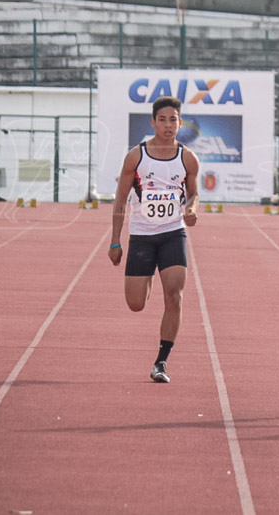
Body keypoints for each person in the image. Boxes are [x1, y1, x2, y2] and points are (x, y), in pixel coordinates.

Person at [109, 96, 199, 383]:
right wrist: (115, 241)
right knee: (136, 303)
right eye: (162, 119)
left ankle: (161, 361)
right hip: (142, 235)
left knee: (175, 295)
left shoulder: (187, 158)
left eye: (173, 119)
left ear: (180, 123)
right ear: (153, 122)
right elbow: (121, 198)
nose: (168, 125)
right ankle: (145, 278)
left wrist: (192, 209)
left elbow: (193, 193)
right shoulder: (136, 156)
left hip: (173, 233)